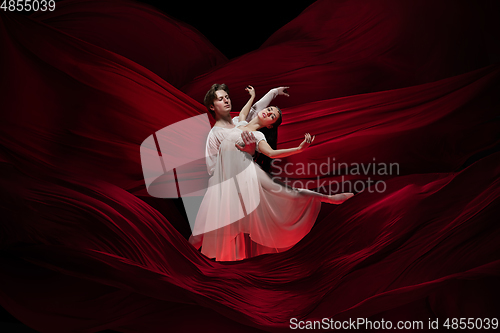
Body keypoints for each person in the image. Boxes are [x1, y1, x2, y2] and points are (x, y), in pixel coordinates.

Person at [189, 85, 354, 261]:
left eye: (272, 116)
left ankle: (328, 198)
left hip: (246, 175)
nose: (268, 113)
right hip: (222, 182)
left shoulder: (258, 137)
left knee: (287, 193)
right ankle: (183, 263)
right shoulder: (240, 122)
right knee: (198, 235)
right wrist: (262, 94)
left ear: (270, 125)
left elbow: (272, 154)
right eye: (268, 110)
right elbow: (251, 109)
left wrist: (298, 149)